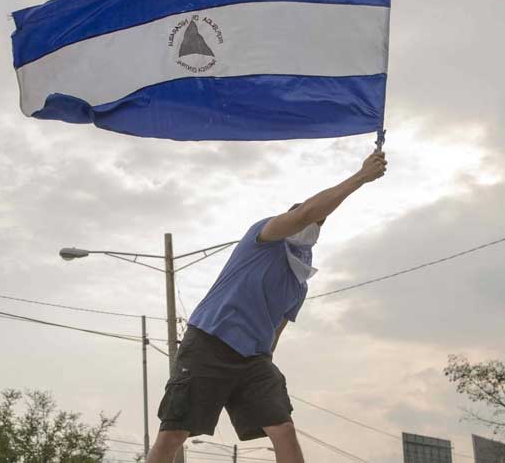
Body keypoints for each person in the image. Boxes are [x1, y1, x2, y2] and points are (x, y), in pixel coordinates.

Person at [146, 150, 388, 463]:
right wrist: (360, 177)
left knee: (283, 429)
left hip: (254, 359)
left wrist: (265, 364)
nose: (310, 220)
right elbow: (304, 215)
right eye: (306, 215)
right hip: (209, 344)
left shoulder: (298, 281)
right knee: (175, 434)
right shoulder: (264, 236)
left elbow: (277, 330)